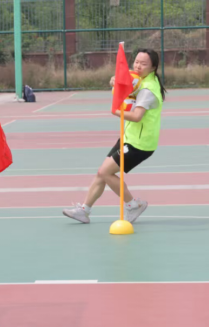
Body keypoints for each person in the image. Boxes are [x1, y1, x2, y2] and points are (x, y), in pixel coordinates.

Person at [63, 49, 167, 224]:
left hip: (139, 144)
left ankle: (133, 205)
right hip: (129, 137)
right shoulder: (142, 79)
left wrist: (116, 112)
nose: (138, 66)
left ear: (153, 67)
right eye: (136, 62)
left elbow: (137, 116)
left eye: (143, 64)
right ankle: (84, 211)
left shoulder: (148, 89)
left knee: (106, 172)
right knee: (101, 173)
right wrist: (116, 82)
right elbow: (127, 88)